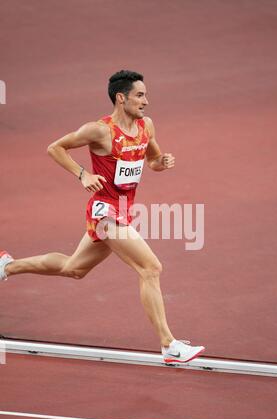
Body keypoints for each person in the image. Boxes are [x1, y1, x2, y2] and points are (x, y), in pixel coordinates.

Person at [0, 70, 205, 364]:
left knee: (74, 268)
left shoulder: (146, 126)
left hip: (123, 209)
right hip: (104, 211)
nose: (146, 101)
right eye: (140, 95)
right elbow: (55, 148)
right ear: (121, 98)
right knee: (150, 268)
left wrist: (162, 162)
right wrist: (82, 174)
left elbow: (152, 161)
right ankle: (168, 345)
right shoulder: (99, 130)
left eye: (146, 95)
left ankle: (7, 266)